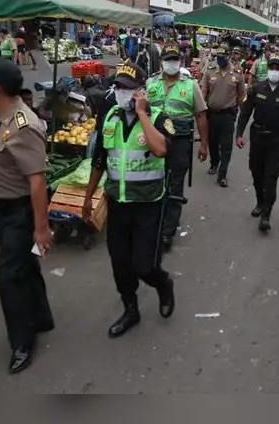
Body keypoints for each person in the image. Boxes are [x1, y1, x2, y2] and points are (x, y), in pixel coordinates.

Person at [83, 62, 176, 338]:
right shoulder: (110, 116)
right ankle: (130, 310)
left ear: (141, 91)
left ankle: (163, 283)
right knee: (120, 263)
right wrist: (88, 197)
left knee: (144, 265)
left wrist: (142, 114)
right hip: (118, 203)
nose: (121, 92)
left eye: (128, 88)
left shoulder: (159, 118)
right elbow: (100, 159)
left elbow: (160, 150)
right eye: (118, 87)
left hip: (149, 204)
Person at [0, 58, 54, 374]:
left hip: (19, 212)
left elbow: (36, 181)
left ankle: (22, 342)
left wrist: (41, 229)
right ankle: (42, 318)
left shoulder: (23, 124)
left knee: (9, 276)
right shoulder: (1, 118)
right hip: (1, 206)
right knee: (26, 266)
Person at [145, 44, 209, 250]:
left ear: (180, 62)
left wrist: (204, 145)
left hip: (180, 142)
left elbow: (201, 115)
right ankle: (155, 223)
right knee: (154, 183)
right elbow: (143, 113)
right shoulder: (151, 83)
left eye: (175, 60)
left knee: (173, 186)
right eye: (168, 59)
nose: (171, 63)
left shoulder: (191, 85)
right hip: (154, 140)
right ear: (161, 61)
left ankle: (167, 232)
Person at [235, 56, 279, 232]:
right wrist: (239, 134)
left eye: (277, 68)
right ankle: (260, 202)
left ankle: (266, 214)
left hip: (277, 140)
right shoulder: (257, 88)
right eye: (272, 67)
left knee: (271, 176)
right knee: (257, 173)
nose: (274, 71)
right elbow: (245, 112)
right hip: (257, 137)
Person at [201, 46, 245, 189]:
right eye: (218, 58)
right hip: (212, 113)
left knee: (226, 146)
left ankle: (222, 175)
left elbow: (241, 94)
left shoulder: (237, 73)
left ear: (229, 56)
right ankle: (214, 163)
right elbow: (204, 90)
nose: (220, 60)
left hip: (228, 114)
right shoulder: (210, 70)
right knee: (213, 142)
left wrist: (235, 107)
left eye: (223, 58)